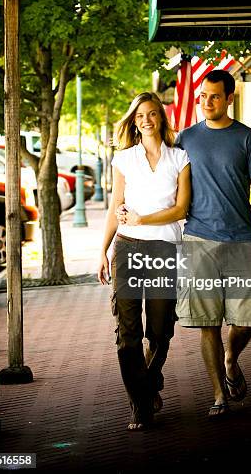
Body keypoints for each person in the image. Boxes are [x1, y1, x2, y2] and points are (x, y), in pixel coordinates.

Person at [175, 70, 251, 418]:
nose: (206, 102)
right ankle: (218, 393)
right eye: (203, 95)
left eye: (214, 96)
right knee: (208, 323)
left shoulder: (247, 138)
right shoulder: (185, 138)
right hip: (198, 239)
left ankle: (231, 358)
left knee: (246, 320)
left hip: (241, 240)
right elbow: (164, 180)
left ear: (229, 98)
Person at [97, 92, 191, 431]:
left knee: (161, 327)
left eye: (152, 114)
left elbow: (181, 210)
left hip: (164, 248)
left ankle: (149, 382)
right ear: (134, 123)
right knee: (128, 330)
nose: (146, 120)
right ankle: (139, 403)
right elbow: (115, 207)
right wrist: (103, 250)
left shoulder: (179, 158)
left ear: (161, 119)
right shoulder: (125, 159)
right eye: (140, 116)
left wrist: (142, 220)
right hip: (127, 249)